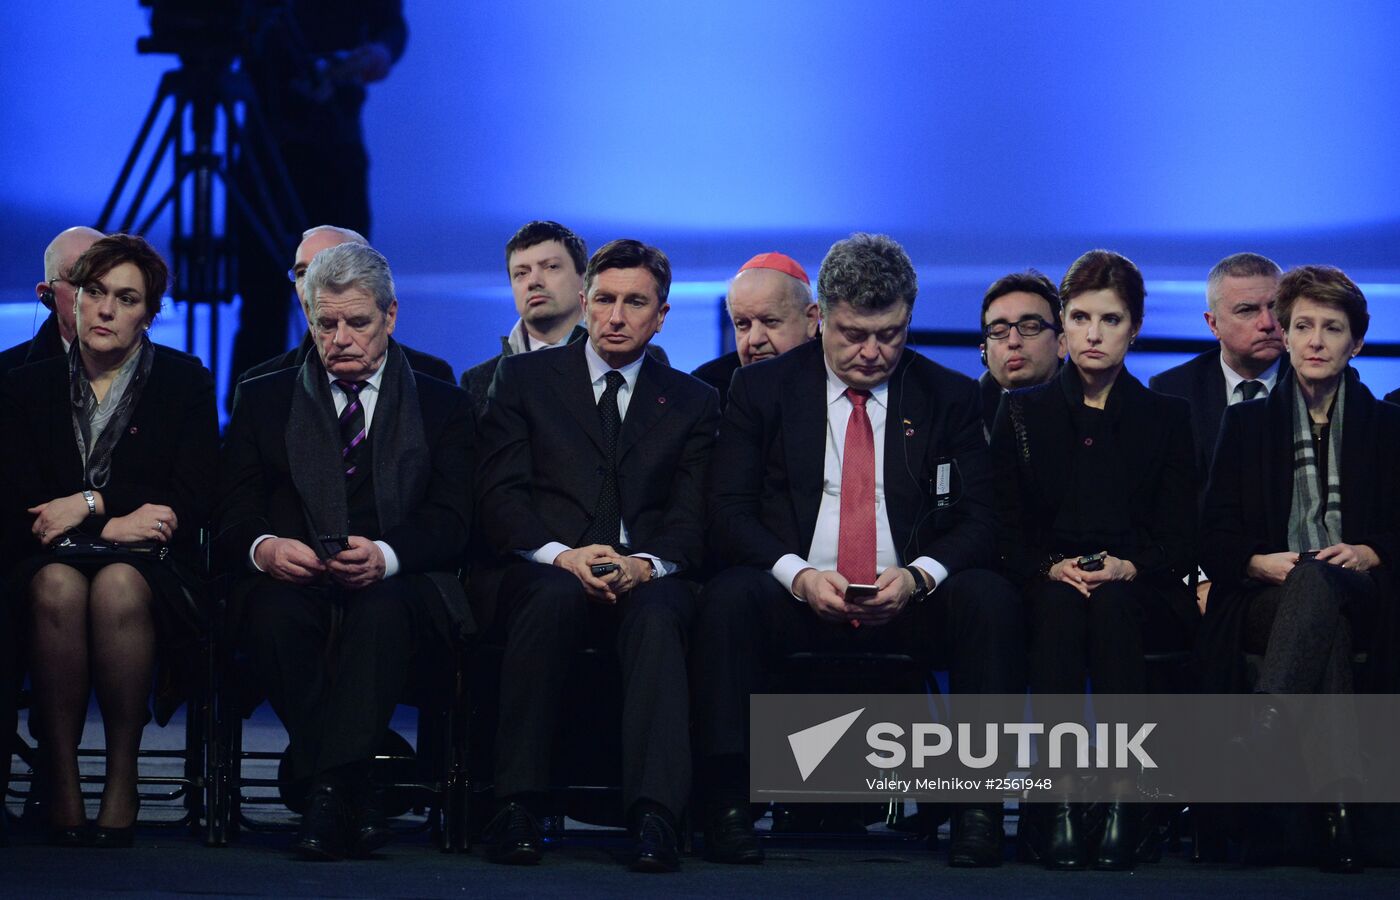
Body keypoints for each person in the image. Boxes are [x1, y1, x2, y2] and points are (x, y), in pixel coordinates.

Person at [693, 233, 1025, 868]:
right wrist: (799, 578)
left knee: (991, 598)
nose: (874, 352)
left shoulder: (948, 396)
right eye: (853, 334)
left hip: (908, 597)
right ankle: (727, 804)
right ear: (822, 317)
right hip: (794, 592)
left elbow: (983, 521)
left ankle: (978, 810)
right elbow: (727, 514)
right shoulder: (760, 391)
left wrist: (919, 577)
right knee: (728, 598)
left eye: (892, 334)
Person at [216, 242, 473, 860]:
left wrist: (385, 554)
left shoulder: (443, 401)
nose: (340, 338)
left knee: (382, 611)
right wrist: (265, 548)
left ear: (390, 316)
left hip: (399, 582)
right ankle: (353, 789)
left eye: (357, 322)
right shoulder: (265, 396)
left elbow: (454, 520)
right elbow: (230, 513)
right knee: (271, 614)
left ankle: (324, 790)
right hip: (292, 582)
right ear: (308, 319)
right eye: (324, 323)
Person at [474, 239, 718, 873]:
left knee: (660, 613)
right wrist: (563, 556)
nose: (616, 316)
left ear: (661, 316)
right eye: (604, 300)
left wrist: (644, 566)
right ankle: (518, 806)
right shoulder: (523, 379)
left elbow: (692, 522)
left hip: (645, 572)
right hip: (544, 567)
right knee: (551, 598)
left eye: (635, 303)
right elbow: (500, 499)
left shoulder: (692, 400)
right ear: (583, 303)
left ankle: (656, 815)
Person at [0, 234, 218, 847]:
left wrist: (91, 503)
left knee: (119, 585)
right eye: (94, 293)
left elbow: (192, 493)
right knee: (57, 586)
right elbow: (23, 501)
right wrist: (114, 516)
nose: (104, 310)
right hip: (42, 558)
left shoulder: (184, 381)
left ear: (148, 312)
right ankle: (62, 772)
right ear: (73, 301)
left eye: (125, 299)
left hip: (152, 567)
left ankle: (124, 770)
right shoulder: (25, 383)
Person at [988, 249, 1197, 870]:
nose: (1093, 334)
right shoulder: (1022, 413)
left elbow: (1183, 537)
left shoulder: (1167, 416)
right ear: (1064, 324)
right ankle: (1052, 802)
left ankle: (1121, 799)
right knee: (1057, 606)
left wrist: (1128, 567)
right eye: (1080, 318)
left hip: (1141, 583)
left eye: (1110, 320)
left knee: (1111, 606)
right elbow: (1005, 528)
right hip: (1047, 579)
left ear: (1134, 327)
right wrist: (1050, 568)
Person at [1199, 265, 1400, 873]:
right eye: (1302, 326)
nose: (1315, 341)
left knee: (1323, 584)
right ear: (1284, 336)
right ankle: (1341, 811)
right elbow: (1212, 532)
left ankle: (1267, 728)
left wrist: (1373, 552)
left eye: (1331, 328)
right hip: (1270, 596)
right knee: (1320, 615)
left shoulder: (1390, 427)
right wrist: (1255, 561)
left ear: (1356, 342)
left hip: (1366, 591)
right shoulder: (1248, 422)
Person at [229, 1, 408, 383]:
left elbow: (389, 25)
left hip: (334, 141)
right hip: (268, 143)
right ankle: (250, 418)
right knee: (262, 297)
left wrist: (379, 52)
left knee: (348, 285)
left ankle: (343, 411)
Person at [461, 221, 669, 418]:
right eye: (521, 273)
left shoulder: (649, 358)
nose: (534, 281)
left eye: (551, 267)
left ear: (584, 278)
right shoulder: (479, 379)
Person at [236, 225, 452, 385]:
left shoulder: (431, 378)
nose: (313, 286)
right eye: (303, 273)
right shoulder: (259, 386)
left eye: (332, 269)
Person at [1150, 253, 1286, 497]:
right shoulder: (1173, 391)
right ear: (1213, 324)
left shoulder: (1315, 383)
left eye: (1275, 307)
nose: (1267, 323)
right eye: (1247, 310)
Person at [691, 252, 820, 409]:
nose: (755, 340)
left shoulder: (841, 377)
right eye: (742, 324)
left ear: (811, 319)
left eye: (770, 321)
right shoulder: (708, 386)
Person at [0, 227, 104, 374]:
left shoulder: (148, 367)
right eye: (80, 282)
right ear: (47, 295)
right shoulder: (6, 376)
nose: (105, 305)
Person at [976, 269, 1065, 437]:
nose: (1013, 341)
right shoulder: (955, 418)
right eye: (999, 331)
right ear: (984, 352)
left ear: (1062, 343)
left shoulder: (1097, 411)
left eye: (1030, 327)